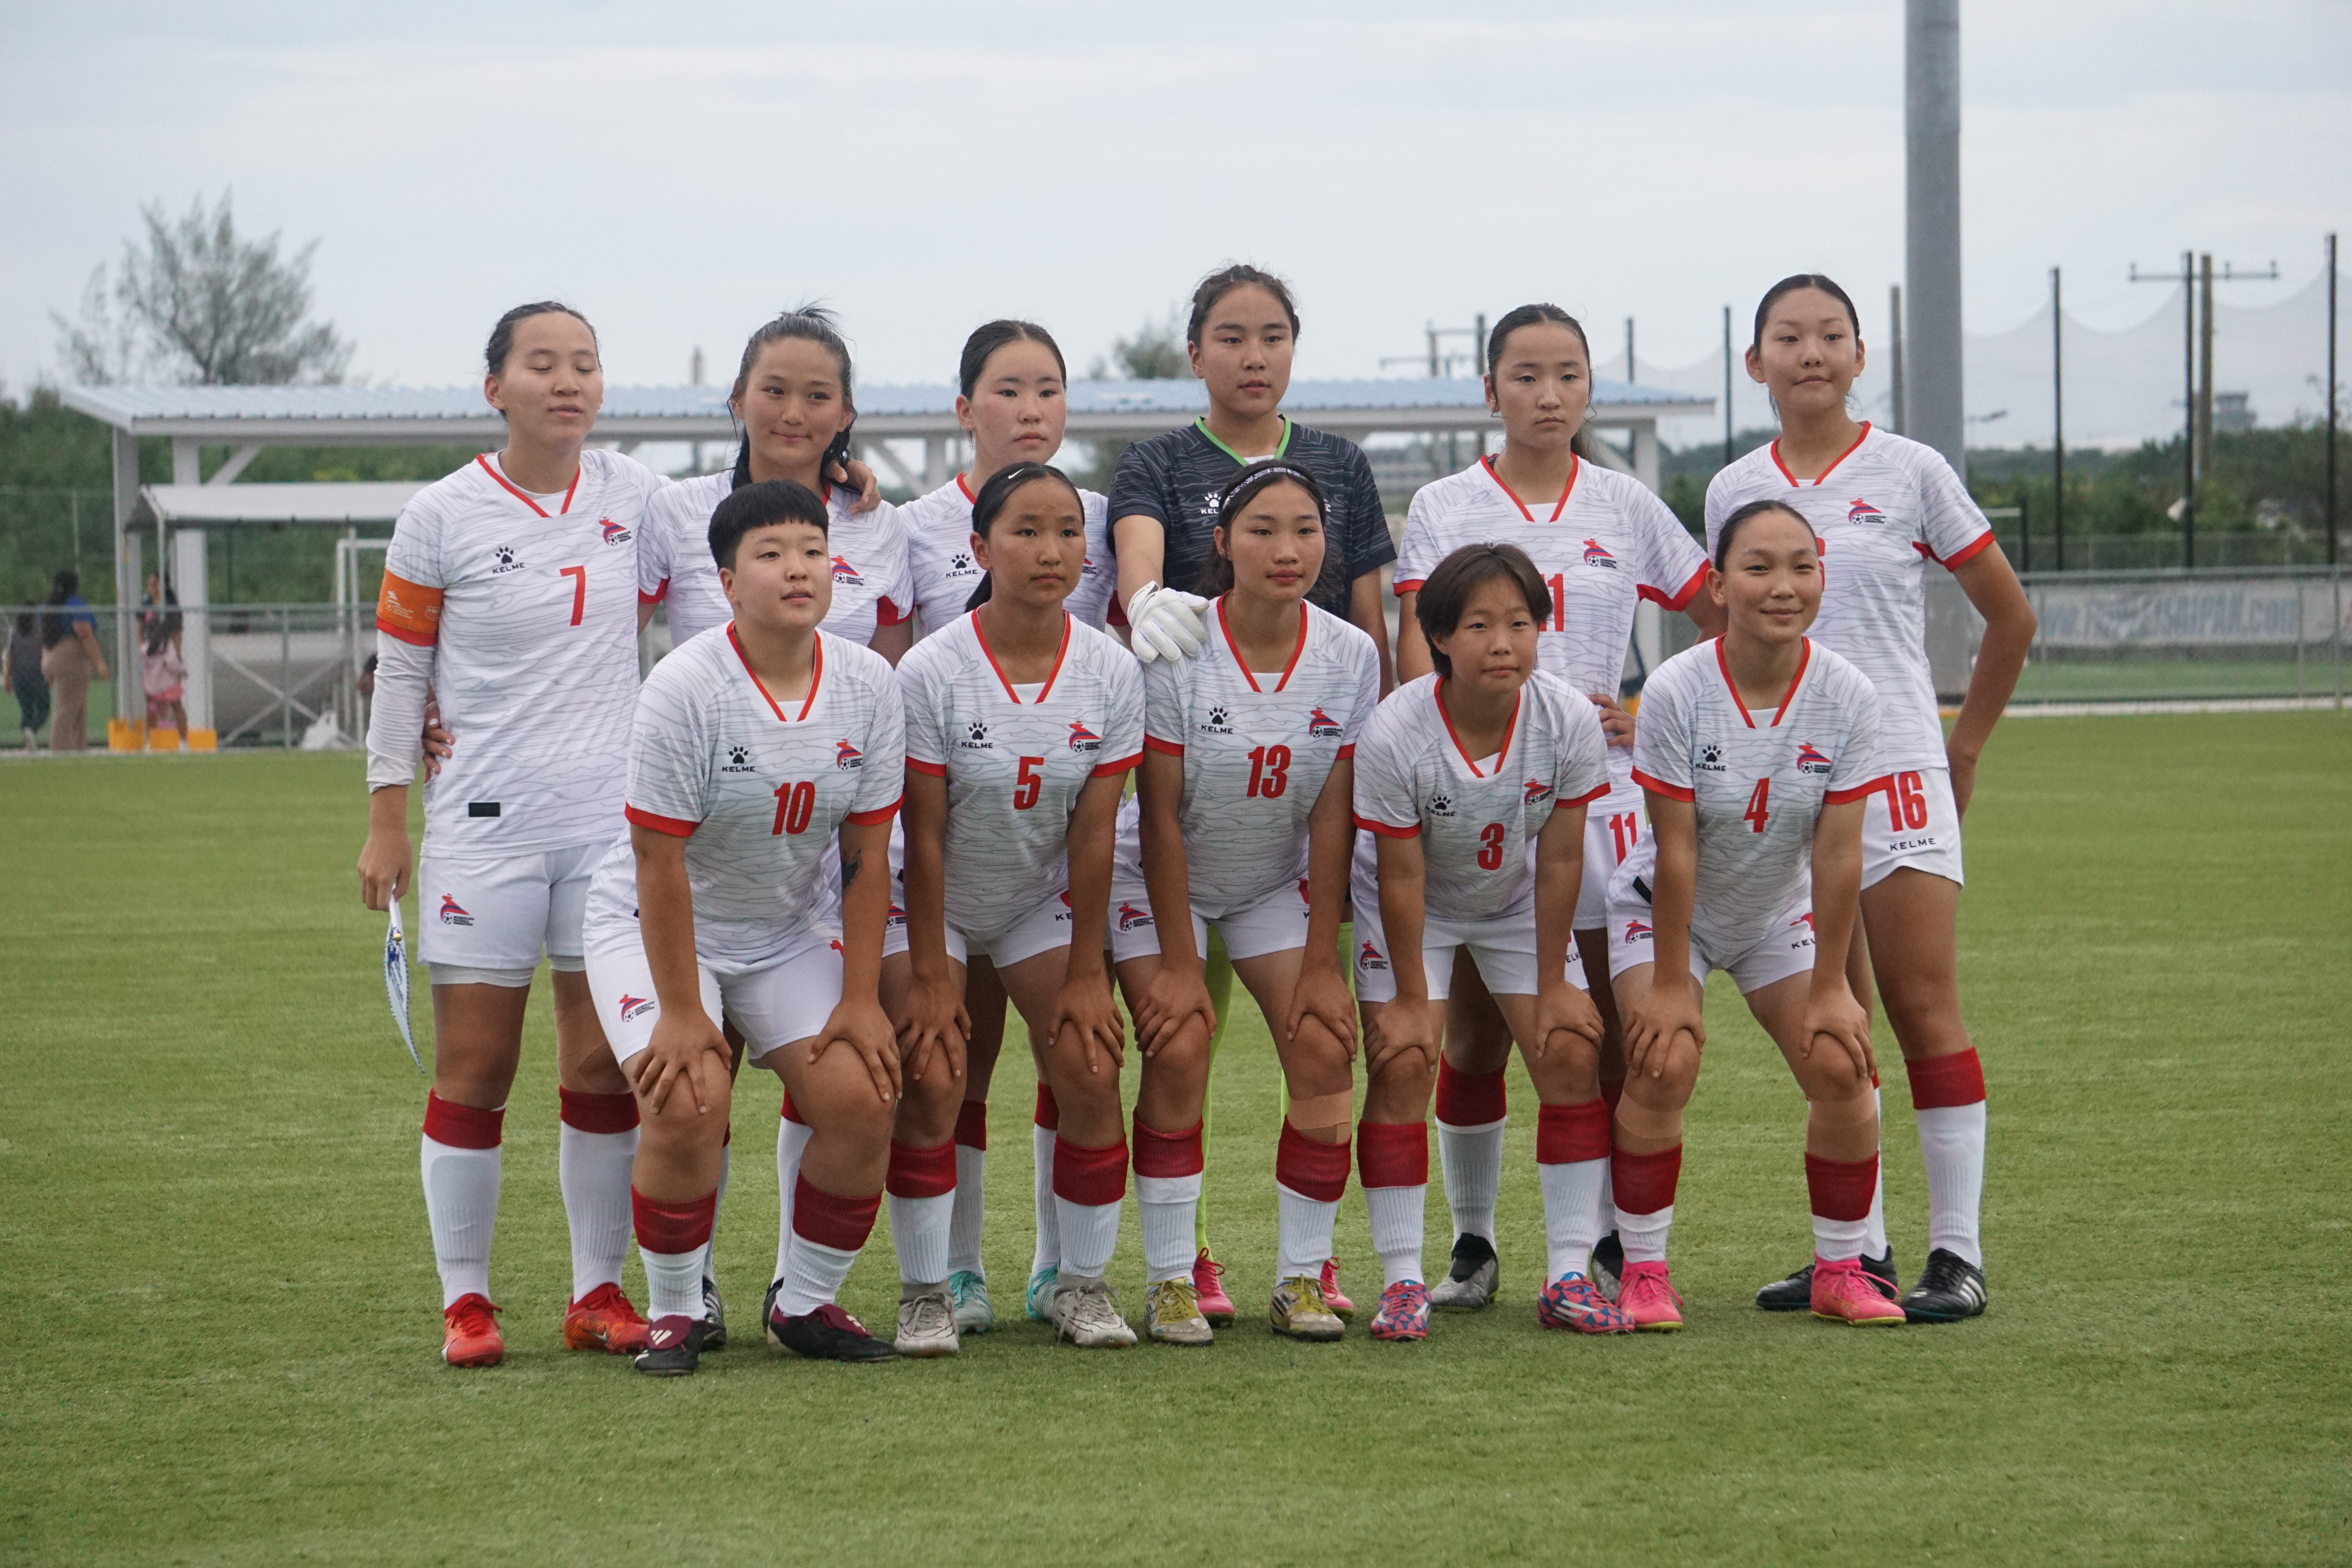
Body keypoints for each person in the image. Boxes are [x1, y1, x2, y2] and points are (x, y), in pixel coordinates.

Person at [1708, 274, 2034, 1323]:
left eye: (1830, 335)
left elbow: (2011, 617)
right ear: (1754, 362)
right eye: (1787, 336)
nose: (1810, 352)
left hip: (1894, 770)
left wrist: (1963, 745)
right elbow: (1727, 634)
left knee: (1921, 1005)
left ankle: (1958, 1256)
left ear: (1859, 356)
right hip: (1786, 790)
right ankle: (1859, 1254)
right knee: (1830, 1022)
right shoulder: (1732, 486)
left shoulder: (1910, 470)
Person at [357, 300, 669, 1369]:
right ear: (497, 388)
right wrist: (387, 818)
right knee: (477, 1066)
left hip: (608, 832)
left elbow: (743, 511)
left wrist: (849, 481)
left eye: (585, 362)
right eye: (543, 364)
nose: (568, 381)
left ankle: (596, 1293)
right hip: (483, 827)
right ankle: (467, 1302)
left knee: (601, 1065)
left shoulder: (636, 495)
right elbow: (401, 671)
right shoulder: (440, 515)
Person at [1392, 302, 1722, 1310]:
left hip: (1598, 796)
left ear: (1590, 388)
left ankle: (1610, 1243)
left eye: (1568, 374)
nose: (1548, 394)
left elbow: (1722, 613)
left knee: (1598, 1029)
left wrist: (1650, 710)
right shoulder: (1445, 503)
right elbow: (1415, 650)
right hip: (1476, 797)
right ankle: (1474, 1244)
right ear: (1489, 389)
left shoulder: (1625, 503)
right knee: (1477, 1034)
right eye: (1526, 375)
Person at [1107, 262, 1401, 1319]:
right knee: (1180, 1039)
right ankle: (1172, 1276)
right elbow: (1157, 811)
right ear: (1220, 541)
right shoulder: (1177, 641)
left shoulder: (1348, 651)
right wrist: (1178, 959)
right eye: (1231, 336)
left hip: (1273, 874)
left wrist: (1323, 954)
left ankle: (1303, 1274)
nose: (1287, 549)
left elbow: (1331, 805)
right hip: (1170, 872)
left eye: (1305, 531)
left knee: (1324, 1038)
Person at [585, 479, 908, 1374]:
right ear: (727, 582)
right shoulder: (686, 686)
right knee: (690, 1095)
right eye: (771, 554)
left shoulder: (869, 685)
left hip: (782, 928)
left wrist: (861, 999)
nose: (798, 568)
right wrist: (684, 1013)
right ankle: (676, 1311)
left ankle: (803, 1302)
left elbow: (866, 856)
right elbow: (656, 863)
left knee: (864, 1096)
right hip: (652, 924)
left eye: (813, 550)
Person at [1605, 499, 1899, 1330]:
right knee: (1664, 1060)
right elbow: (1676, 853)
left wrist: (1833, 985)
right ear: (1720, 584)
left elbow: (1838, 856)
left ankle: (1841, 1270)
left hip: (1774, 913)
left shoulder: (1848, 694)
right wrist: (1671, 983)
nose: (1783, 586)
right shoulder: (1676, 688)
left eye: (1802, 567)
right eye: (1759, 567)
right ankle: (1643, 1273)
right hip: (1667, 912)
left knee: (1841, 1063)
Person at [895, 321, 1118, 1336]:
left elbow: (1095, 835)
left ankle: (1077, 1281)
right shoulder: (931, 661)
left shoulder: (1108, 663)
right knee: (940, 1066)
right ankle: (937, 1286)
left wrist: (1088, 968)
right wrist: (930, 968)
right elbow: (924, 833)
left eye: (1065, 533)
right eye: (1026, 533)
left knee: (1089, 1061)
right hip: (935, 888)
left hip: (1037, 888)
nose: (1051, 548)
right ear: (980, 549)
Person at [1349, 543, 1626, 1341]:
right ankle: (1403, 1279)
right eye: (1478, 625)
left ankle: (1568, 1270)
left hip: (1511, 900)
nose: (1502, 643)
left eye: (1520, 623)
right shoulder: (1397, 729)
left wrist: (1555, 983)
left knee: (1570, 1048)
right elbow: (1401, 876)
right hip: (1415, 905)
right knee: (1405, 1059)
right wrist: (1410, 998)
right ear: (1439, 636)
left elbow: (1563, 857)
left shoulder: (1567, 718)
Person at [39, 570, 107, 753]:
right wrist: (100, 662)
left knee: (77, 707)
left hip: (49, 656)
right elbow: (84, 634)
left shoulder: (47, 606)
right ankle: (60, 750)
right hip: (70, 659)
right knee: (66, 709)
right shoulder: (74, 604)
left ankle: (79, 748)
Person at [143, 613, 188, 748]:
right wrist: (182, 671)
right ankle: (183, 742)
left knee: (152, 713)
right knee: (178, 710)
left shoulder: (145, 648)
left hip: (152, 688)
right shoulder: (167, 646)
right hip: (169, 686)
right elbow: (172, 662)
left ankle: (149, 743)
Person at [7, 613, 50, 750]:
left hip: (18, 675)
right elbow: (44, 652)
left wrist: (8, 678)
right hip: (36, 674)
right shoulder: (39, 632)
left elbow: (10, 657)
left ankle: (28, 737)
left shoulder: (15, 633)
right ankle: (31, 730)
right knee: (44, 708)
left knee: (27, 710)